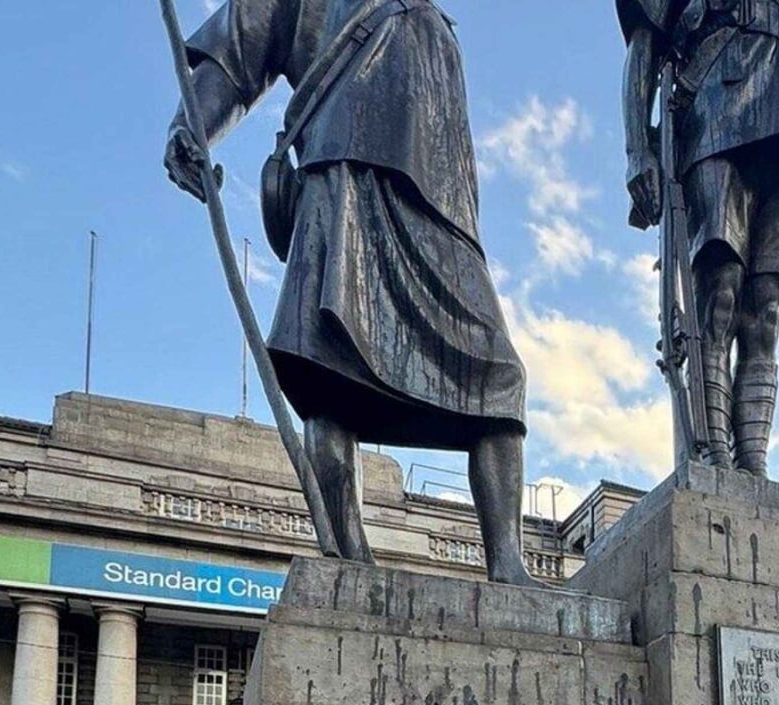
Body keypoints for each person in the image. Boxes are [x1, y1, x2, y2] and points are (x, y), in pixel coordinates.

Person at [163, 0, 537, 586]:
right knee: (332, 374)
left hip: (442, 210)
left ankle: (507, 563)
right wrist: (192, 126)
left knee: (498, 376)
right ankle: (349, 556)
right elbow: (239, 49)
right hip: (343, 176)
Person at [619, 0, 779, 475]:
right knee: (720, 290)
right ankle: (715, 453)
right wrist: (636, 149)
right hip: (714, 107)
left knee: (767, 309)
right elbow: (645, 45)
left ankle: (754, 460)